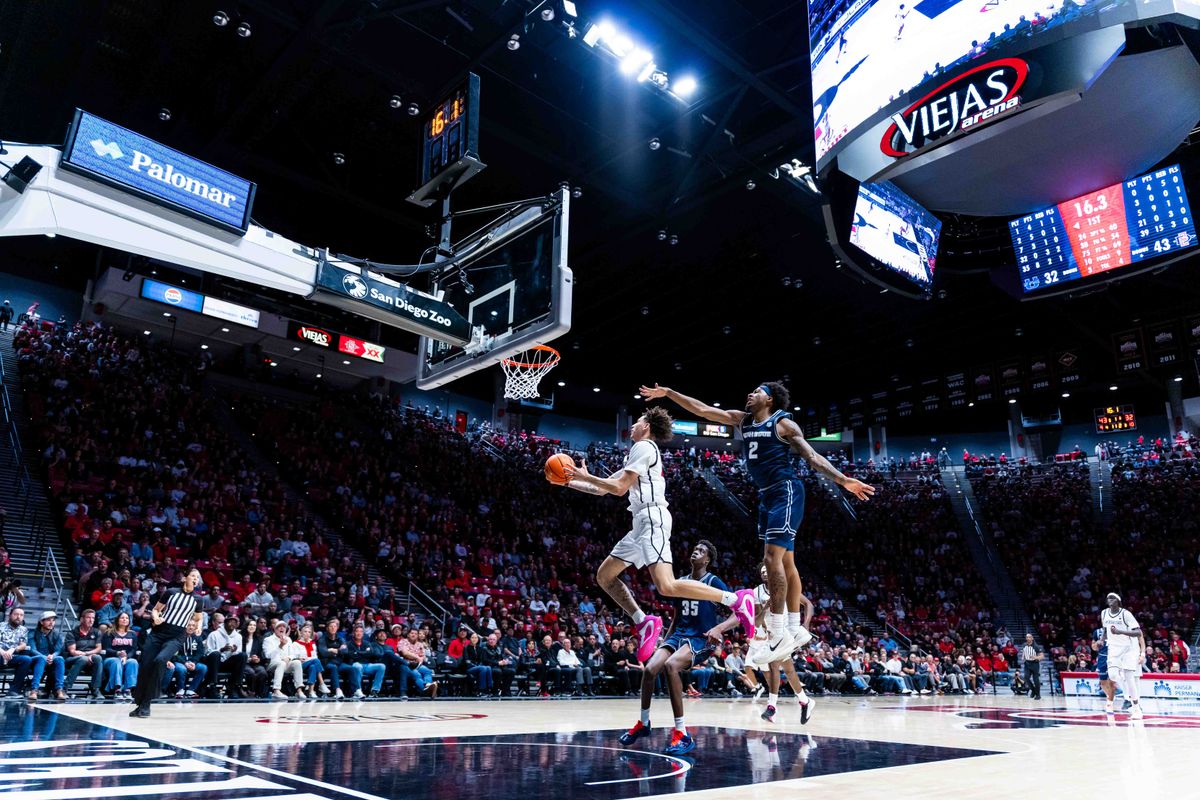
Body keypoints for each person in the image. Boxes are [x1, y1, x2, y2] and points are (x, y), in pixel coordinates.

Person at [642, 381, 873, 659]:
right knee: (786, 561)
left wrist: (843, 480)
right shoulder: (744, 421)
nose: (750, 394)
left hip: (785, 490)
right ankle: (793, 627)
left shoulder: (783, 425)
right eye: (749, 390)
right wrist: (669, 393)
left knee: (772, 559)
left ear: (770, 400)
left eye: (757, 392)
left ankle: (777, 632)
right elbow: (703, 410)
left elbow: (811, 457)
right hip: (766, 496)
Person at [560, 408, 757, 663]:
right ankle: (643, 622)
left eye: (637, 421)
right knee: (605, 576)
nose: (632, 426)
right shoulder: (638, 453)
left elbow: (618, 489)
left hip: (652, 518)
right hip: (641, 523)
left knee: (667, 586)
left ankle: (736, 600)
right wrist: (569, 482)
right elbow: (602, 489)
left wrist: (586, 476)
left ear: (648, 426)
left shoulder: (644, 447)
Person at [618, 540, 739, 756]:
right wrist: (665, 641)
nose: (696, 551)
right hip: (678, 635)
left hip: (701, 639)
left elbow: (738, 612)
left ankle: (682, 732)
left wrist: (719, 629)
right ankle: (643, 723)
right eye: (695, 548)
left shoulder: (713, 581)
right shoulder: (680, 581)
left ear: (707, 559)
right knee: (649, 669)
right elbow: (676, 615)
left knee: (671, 666)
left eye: (701, 551)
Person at [130, 568, 203, 717]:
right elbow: (156, 610)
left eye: (198, 577)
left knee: (160, 660)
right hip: (158, 633)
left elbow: (198, 617)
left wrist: (199, 626)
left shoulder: (198, 600)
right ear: (185, 578)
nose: (195, 579)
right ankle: (140, 704)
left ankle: (147, 703)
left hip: (177, 637)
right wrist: (156, 618)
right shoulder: (171, 592)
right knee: (145, 666)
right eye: (193, 576)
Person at [1101, 592, 1145, 720]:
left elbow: (1138, 632)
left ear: (1118, 601)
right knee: (1113, 675)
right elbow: (1105, 630)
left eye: (1112, 598)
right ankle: (1126, 691)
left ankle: (1136, 708)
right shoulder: (1104, 613)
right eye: (1108, 598)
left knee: (1130, 677)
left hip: (1129, 649)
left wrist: (1120, 632)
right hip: (1114, 648)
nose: (1109, 600)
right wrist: (1101, 639)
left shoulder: (1126, 614)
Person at [203, 614, 247, 699]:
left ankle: (234, 686)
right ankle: (213, 686)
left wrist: (234, 651)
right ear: (225, 623)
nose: (233, 624)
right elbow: (207, 652)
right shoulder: (214, 634)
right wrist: (221, 649)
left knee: (243, 655)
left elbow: (238, 654)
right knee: (216, 654)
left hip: (228, 663)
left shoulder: (238, 636)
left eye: (235, 622)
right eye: (230, 622)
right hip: (215, 663)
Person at [64, 609, 104, 699]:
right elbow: (73, 651)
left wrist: (88, 654)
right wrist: (86, 656)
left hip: (89, 658)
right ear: (82, 619)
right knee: (83, 659)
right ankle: (64, 688)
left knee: (98, 658)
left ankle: (95, 689)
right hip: (73, 660)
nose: (91, 620)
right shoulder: (72, 633)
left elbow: (99, 648)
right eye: (88, 618)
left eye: (93, 618)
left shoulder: (97, 632)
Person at [165, 619, 208, 698]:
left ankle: (191, 690)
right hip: (179, 661)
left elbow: (200, 653)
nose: (191, 627)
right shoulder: (177, 637)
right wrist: (184, 662)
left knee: (203, 667)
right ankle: (180, 690)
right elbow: (174, 654)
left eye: (193, 626)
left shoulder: (198, 638)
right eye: (189, 625)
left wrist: (194, 663)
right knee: (181, 669)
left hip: (192, 661)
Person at [30, 611, 67, 702]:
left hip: (50, 659)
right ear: (41, 622)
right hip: (36, 659)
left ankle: (59, 690)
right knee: (41, 658)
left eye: (53, 620)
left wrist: (52, 656)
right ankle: (34, 690)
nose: (51, 623)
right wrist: (45, 657)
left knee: (60, 658)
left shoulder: (57, 634)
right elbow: (32, 650)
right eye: (48, 620)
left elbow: (58, 650)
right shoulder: (32, 633)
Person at [101, 612, 139, 700]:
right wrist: (117, 653)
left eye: (126, 618)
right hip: (111, 659)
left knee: (133, 662)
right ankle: (117, 690)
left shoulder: (133, 634)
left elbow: (133, 650)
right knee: (116, 661)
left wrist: (126, 657)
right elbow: (106, 648)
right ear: (117, 620)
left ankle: (128, 690)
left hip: (127, 658)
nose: (125, 619)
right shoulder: (109, 633)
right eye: (122, 618)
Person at [0, 608, 35, 698]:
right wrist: (2, 652)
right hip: (0, 654)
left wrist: (12, 649)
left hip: (12, 656)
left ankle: (13, 691)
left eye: (21, 615)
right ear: (10, 615)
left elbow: (23, 645)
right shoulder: (1, 626)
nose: (18, 617)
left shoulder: (23, 630)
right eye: (16, 614)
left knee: (26, 659)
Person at [264, 621, 304, 699]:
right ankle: (276, 690)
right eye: (279, 626)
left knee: (297, 662)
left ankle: (299, 690)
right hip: (272, 664)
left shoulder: (288, 639)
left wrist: (288, 658)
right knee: (281, 663)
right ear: (275, 629)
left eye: (284, 627)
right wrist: (280, 646)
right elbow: (268, 655)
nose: (282, 628)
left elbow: (293, 654)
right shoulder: (268, 640)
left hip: (286, 664)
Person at [1021, 633, 1043, 701]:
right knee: (1026, 677)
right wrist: (1023, 656)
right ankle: (1033, 690)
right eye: (1027, 637)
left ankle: (1038, 694)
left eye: (1029, 637)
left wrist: (1036, 657)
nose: (1028, 638)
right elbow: (1024, 651)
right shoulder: (1024, 645)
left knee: (1036, 679)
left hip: (1035, 664)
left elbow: (1042, 656)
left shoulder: (1036, 646)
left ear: (1032, 638)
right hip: (1027, 663)